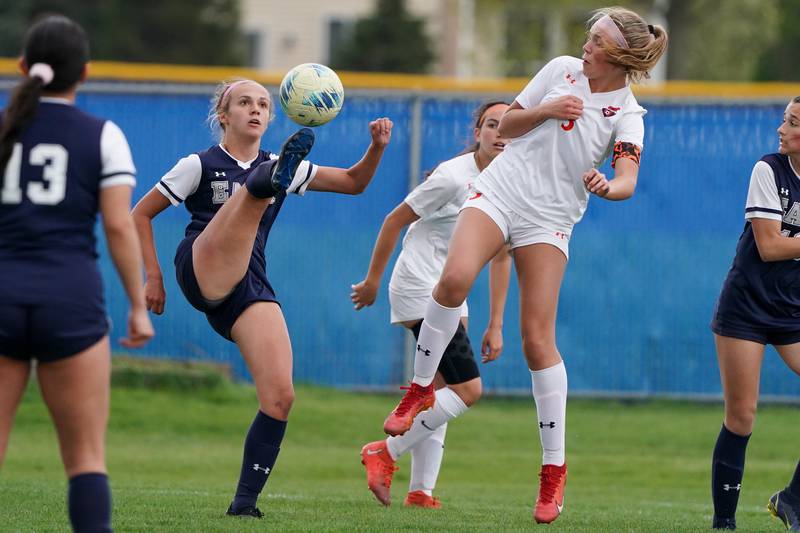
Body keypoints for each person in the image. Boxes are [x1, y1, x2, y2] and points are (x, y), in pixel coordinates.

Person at [379, 6, 667, 524]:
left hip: (551, 219)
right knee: (454, 278)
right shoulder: (560, 70)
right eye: (589, 36)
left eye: (596, 40)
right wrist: (546, 109)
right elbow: (506, 123)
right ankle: (421, 389)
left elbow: (627, 178)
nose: (586, 45)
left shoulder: (628, 114)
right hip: (501, 191)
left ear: (620, 54)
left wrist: (609, 187)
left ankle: (553, 472)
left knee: (537, 341)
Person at [131, 78, 392, 518]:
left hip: (248, 283)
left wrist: (377, 147)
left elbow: (353, 182)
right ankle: (260, 186)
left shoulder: (279, 161)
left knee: (280, 396)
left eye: (264, 105)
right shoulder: (199, 163)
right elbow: (140, 213)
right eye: (244, 103)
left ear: (271, 118)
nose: (255, 109)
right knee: (254, 193)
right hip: (201, 264)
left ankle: (244, 505)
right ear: (224, 116)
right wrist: (152, 277)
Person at [0, 15, 154, 533]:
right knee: (85, 457)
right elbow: (116, 224)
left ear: (23, 67)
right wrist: (136, 304)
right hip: (71, 299)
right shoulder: (103, 135)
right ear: (85, 72)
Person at [351, 101, 513, 508]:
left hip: (451, 297)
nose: (500, 133)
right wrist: (372, 282)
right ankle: (383, 453)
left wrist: (495, 322)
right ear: (478, 131)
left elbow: (501, 256)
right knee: (468, 389)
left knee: (440, 391)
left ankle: (421, 491)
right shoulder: (453, 177)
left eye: (510, 126)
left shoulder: (512, 183)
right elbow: (393, 220)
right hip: (419, 288)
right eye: (492, 124)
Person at [708, 97, 800, 531]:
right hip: (746, 306)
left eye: (793, 123)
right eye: (785, 119)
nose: (782, 129)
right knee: (742, 416)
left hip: (792, 309)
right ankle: (724, 522)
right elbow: (770, 246)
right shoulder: (769, 169)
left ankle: (792, 499)